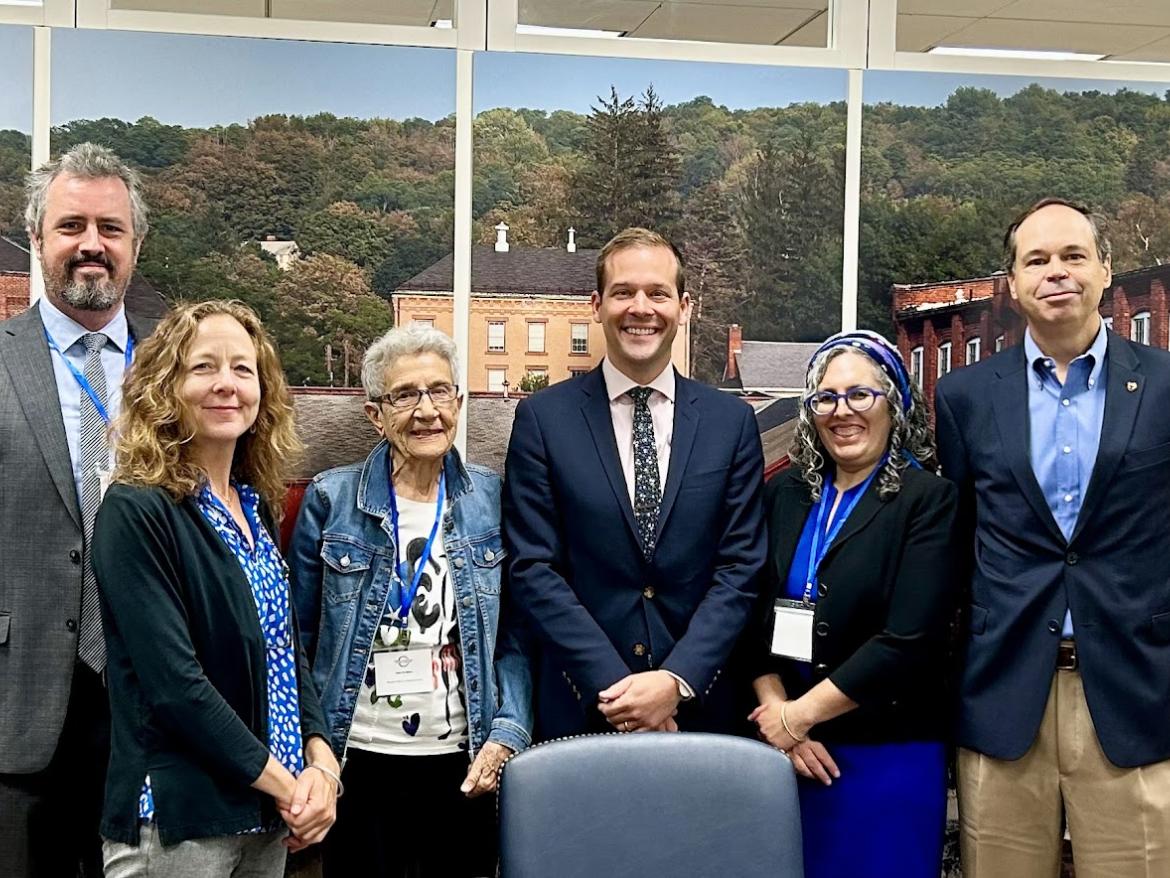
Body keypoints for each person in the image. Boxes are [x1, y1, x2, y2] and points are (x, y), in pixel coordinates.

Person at [936, 197, 1170, 878]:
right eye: (1036, 260)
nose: (1056, 272)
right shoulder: (966, 396)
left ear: (1105, 268)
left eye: (1073, 256)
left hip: (1135, 692)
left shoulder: (1162, 388)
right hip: (1007, 695)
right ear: (1012, 284)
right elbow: (959, 545)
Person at [91, 300, 339, 876]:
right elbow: (175, 686)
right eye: (203, 367)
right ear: (165, 387)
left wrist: (321, 764)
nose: (226, 384)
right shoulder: (137, 510)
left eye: (243, 369)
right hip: (180, 825)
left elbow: (285, 655)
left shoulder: (254, 508)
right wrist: (290, 787)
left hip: (266, 821)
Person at [289, 325, 532, 878]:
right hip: (357, 761)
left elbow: (516, 636)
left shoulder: (493, 499)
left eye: (439, 391)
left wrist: (506, 733)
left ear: (459, 404)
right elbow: (296, 639)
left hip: (463, 762)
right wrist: (312, 745)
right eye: (404, 395)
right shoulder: (332, 499)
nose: (427, 410)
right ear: (376, 415)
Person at [503, 227, 766, 738]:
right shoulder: (542, 419)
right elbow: (533, 567)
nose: (640, 307)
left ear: (684, 307)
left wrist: (675, 681)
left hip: (701, 713)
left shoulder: (730, 423)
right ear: (597, 305)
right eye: (623, 292)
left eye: (658, 293)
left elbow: (742, 567)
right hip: (582, 708)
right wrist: (618, 689)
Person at [0, 143, 159, 877]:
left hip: (154, 698)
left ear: (135, 243)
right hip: (18, 697)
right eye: (70, 226)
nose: (91, 243)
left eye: (110, 227)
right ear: (36, 238)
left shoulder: (176, 370)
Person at [746, 330, 957, 878]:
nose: (843, 411)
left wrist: (797, 717)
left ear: (895, 404)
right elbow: (750, 616)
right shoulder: (784, 494)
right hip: (786, 756)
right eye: (827, 398)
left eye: (861, 394)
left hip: (887, 756)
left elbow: (909, 640)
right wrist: (777, 715)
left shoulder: (927, 501)